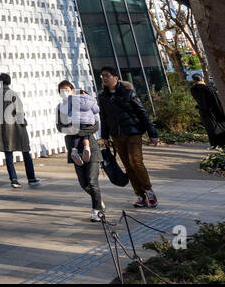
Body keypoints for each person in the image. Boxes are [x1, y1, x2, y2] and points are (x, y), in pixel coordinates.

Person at [98, 67, 160, 208]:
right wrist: (104, 137)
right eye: (102, 76)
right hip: (116, 135)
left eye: (107, 76)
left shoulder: (128, 93)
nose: (104, 78)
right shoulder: (102, 97)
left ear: (116, 78)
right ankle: (140, 195)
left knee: (136, 162)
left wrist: (153, 134)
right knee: (128, 166)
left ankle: (149, 191)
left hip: (133, 133)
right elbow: (104, 117)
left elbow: (143, 114)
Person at [56, 80, 105, 221]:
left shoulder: (84, 103)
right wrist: (69, 129)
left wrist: (77, 131)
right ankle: (98, 201)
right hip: (74, 149)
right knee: (83, 183)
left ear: (72, 89)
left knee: (92, 180)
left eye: (66, 89)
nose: (64, 92)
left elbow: (95, 126)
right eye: (61, 90)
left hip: (91, 148)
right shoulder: (60, 108)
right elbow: (59, 127)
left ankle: (97, 211)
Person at [0, 73, 40, 188]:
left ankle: (14, 180)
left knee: (8, 153)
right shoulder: (13, 94)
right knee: (25, 152)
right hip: (16, 127)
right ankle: (31, 178)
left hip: (3, 128)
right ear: (9, 81)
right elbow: (19, 111)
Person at [189, 73, 225, 148]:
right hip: (214, 111)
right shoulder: (208, 88)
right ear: (202, 79)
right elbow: (216, 101)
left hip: (203, 112)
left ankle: (214, 144)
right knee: (219, 127)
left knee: (210, 128)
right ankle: (223, 144)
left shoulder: (193, 89)